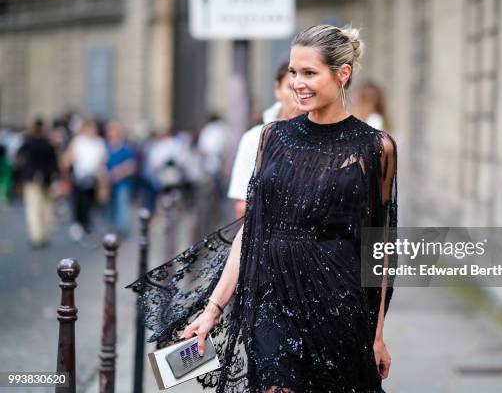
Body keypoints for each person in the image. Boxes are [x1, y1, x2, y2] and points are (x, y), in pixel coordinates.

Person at [127, 24, 398, 393]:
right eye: (293, 72)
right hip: (272, 298)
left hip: (337, 303)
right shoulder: (272, 137)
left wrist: (377, 333)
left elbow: (379, 248)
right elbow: (252, 229)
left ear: (342, 73)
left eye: (309, 73)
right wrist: (212, 310)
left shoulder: (375, 148)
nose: (297, 84)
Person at [227, 61, 304, 218]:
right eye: (291, 88)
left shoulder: (338, 139)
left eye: (304, 88)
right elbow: (241, 205)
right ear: (277, 89)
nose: (299, 95)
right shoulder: (255, 138)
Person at [15, 119, 59, 247]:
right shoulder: (48, 144)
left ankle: (36, 236)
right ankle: (45, 233)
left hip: (31, 179)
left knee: (33, 208)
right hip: (46, 179)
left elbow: (18, 159)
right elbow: (54, 164)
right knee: (47, 207)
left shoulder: (28, 143)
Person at [62, 119, 107, 241]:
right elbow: (68, 159)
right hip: (79, 178)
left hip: (93, 178)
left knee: (90, 203)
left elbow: (103, 160)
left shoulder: (99, 142)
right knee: (79, 202)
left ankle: (87, 225)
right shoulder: (78, 141)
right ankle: (79, 224)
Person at [105, 121, 136, 237]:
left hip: (122, 183)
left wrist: (118, 172)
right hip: (109, 183)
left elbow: (131, 166)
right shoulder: (106, 147)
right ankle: (112, 228)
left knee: (122, 206)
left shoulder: (125, 148)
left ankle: (122, 230)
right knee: (110, 208)